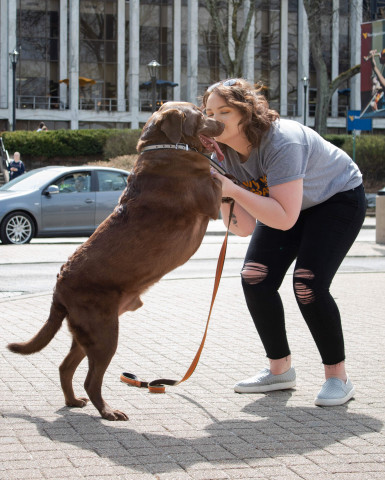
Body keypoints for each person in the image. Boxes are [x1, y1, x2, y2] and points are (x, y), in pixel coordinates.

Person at [202, 78, 366, 406]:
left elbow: (285, 218)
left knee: (307, 284)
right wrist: (218, 188)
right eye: (208, 111)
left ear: (246, 113)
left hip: (335, 198)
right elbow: (243, 227)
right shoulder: (221, 154)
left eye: (224, 110)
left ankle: (338, 378)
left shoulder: (282, 142)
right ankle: (280, 371)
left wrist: (234, 190)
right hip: (285, 206)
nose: (213, 118)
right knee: (255, 277)